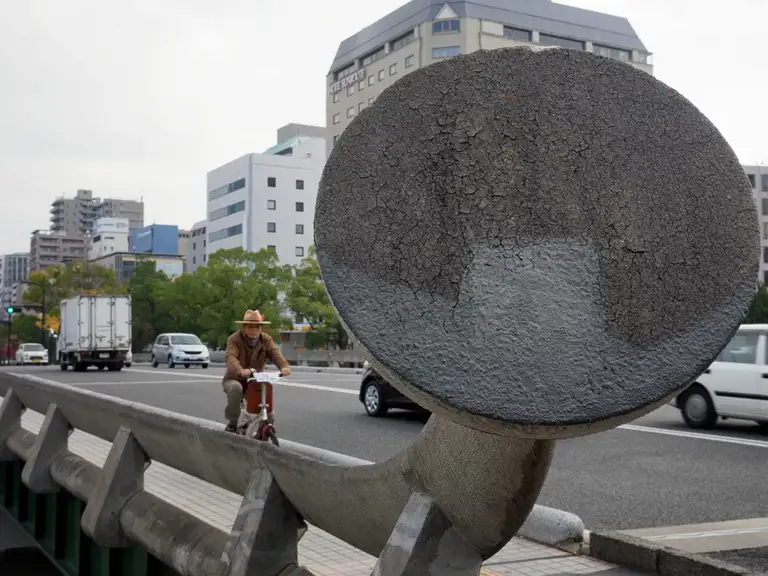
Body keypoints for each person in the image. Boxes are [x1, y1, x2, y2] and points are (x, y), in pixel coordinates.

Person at [222, 309, 291, 433]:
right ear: (244, 327)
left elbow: (275, 354)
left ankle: (264, 428)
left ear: (261, 327)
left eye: (257, 327)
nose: (254, 330)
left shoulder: (266, 339)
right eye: (250, 326)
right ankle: (233, 423)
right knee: (235, 388)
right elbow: (230, 357)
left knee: (265, 399)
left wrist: (284, 366)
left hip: (255, 380)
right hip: (235, 377)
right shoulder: (234, 339)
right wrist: (240, 370)